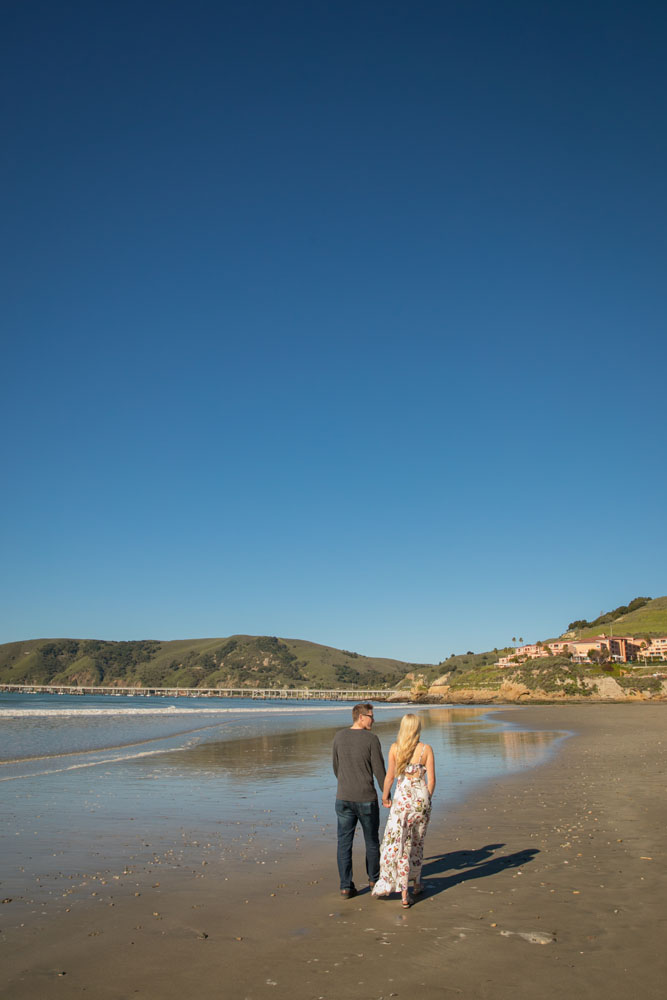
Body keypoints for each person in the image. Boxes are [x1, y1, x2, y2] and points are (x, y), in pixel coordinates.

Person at [372, 713, 435, 907]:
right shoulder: (426, 749)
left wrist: (385, 796)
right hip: (421, 801)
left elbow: (390, 777)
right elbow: (431, 780)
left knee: (400, 844)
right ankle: (416, 883)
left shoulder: (395, 748)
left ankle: (404, 894)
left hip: (402, 802)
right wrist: (425, 799)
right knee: (417, 842)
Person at [332, 702, 387, 898]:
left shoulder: (339, 736)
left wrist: (346, 782)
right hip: (365, 798)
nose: (373, 720)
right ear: (361, 717)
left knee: (344, 843)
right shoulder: (371, 739)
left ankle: (345, 886)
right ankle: (374, 880)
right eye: (371, 716)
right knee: (371, 841)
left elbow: (336, 767)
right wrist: (387, 793)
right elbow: (379, 771)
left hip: (344, 797)